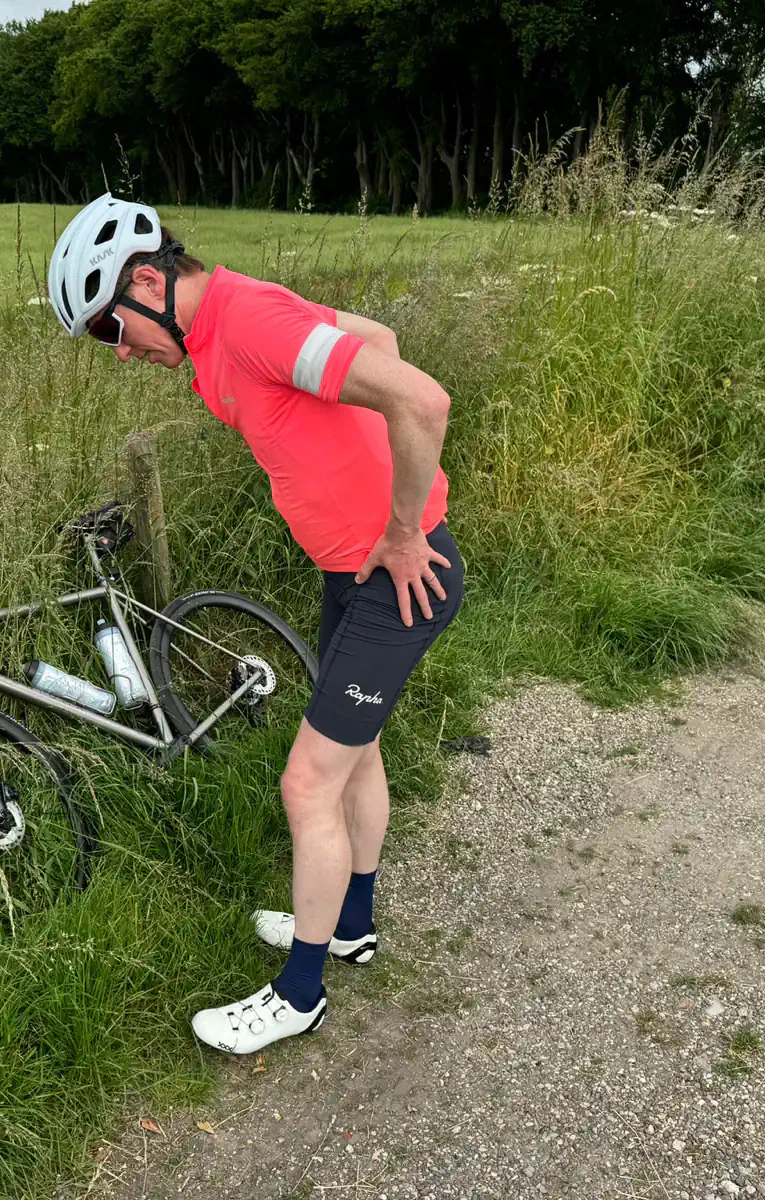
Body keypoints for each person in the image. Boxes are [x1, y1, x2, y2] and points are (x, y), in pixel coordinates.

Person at [50, 195, 463, 1054]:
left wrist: (402, 529)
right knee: (357, 757)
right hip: (354, 569)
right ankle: (348, 926)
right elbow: (378, 340)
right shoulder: (216, 335)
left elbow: (421, 398)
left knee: (306, 784)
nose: (120, 352)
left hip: (395, 575)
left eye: (111, 329)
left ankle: (300, 994)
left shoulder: (247, 324)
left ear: (151, 280)